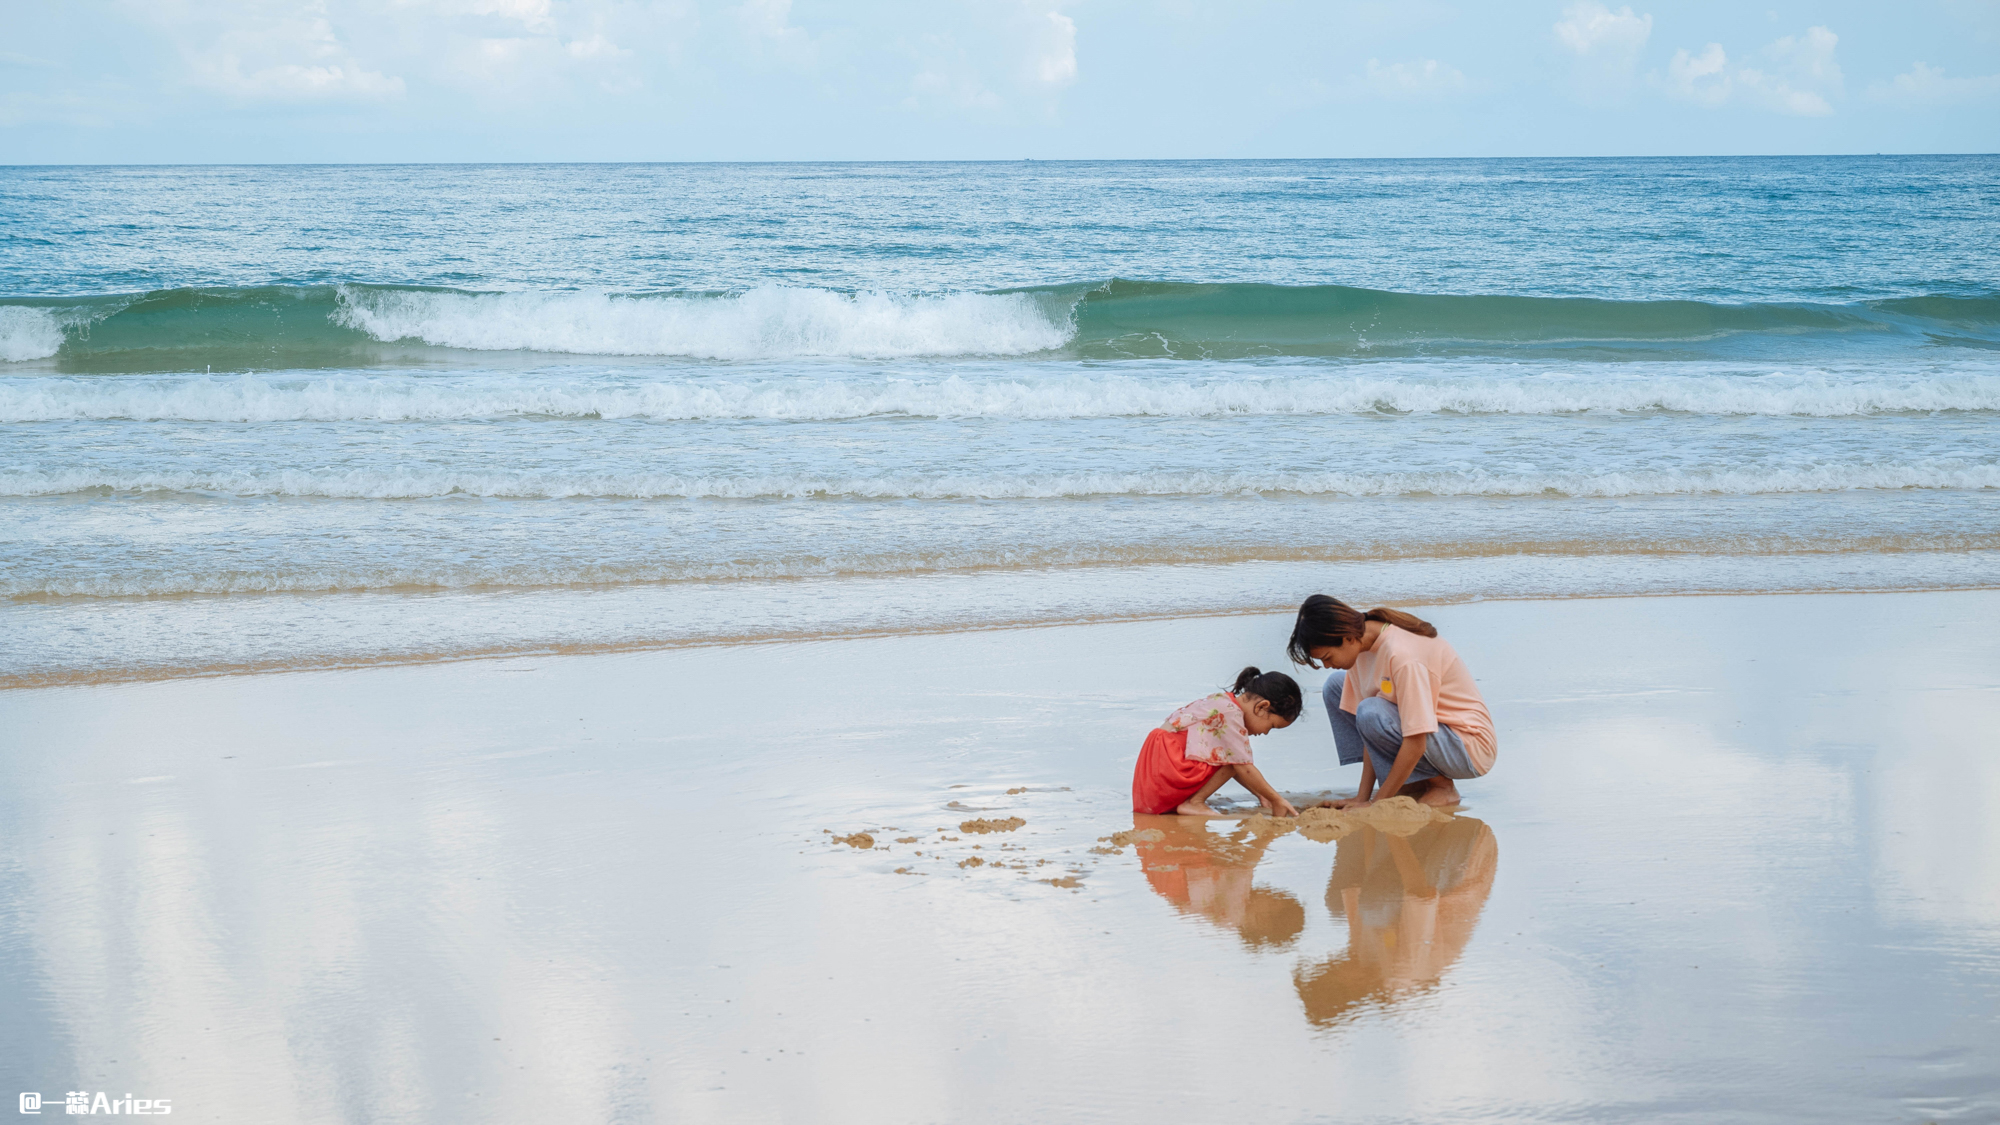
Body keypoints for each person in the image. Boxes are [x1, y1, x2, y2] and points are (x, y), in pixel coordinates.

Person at [1286, 595, 1496, 808]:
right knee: (1335, 687)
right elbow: (1368, 732)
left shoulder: (1403, 656)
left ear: (1348, 638)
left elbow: (1415, 740)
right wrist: (1362, 798)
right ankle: (1410, 782)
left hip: (1467, 746)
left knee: (1371, 711)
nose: (1327, 664)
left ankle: (1442, 787)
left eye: (1328, 657)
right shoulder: (1362, 646)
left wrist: (1377, 803)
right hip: (1434, 736)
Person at [1131, 667, 1303, 817]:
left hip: (1152, 782)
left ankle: (1193, 801)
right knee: (1236, 760)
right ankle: (1194, 802)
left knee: (1232, 757)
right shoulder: (1231, 713)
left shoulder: (1223, 701)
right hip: (1166, 773)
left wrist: (1261, 794)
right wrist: (1276, 799)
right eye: (1271, 726)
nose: (1265, 732)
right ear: (1261, 707)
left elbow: (1235, 766)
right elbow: (1242, 767)